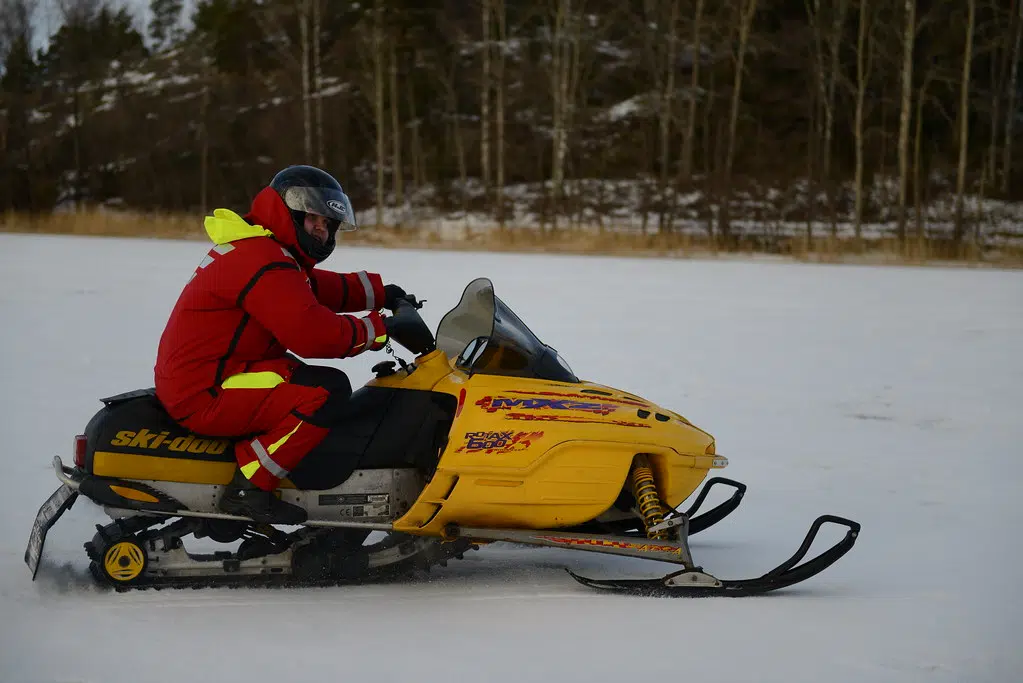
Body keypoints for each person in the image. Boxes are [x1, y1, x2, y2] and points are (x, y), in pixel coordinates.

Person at [154, 165, 409, 524]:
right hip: (207, 391)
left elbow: (310, 289)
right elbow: (311, 333)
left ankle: (295, 467)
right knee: (324, 391)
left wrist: (379, 292)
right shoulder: (262, 260)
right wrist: (378, 328)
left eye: (328, 224)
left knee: (313, 381)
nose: (322, 230)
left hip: (214, 373)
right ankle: (250, 487)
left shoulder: (263, 251)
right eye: (314, 220)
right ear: (288, 214)